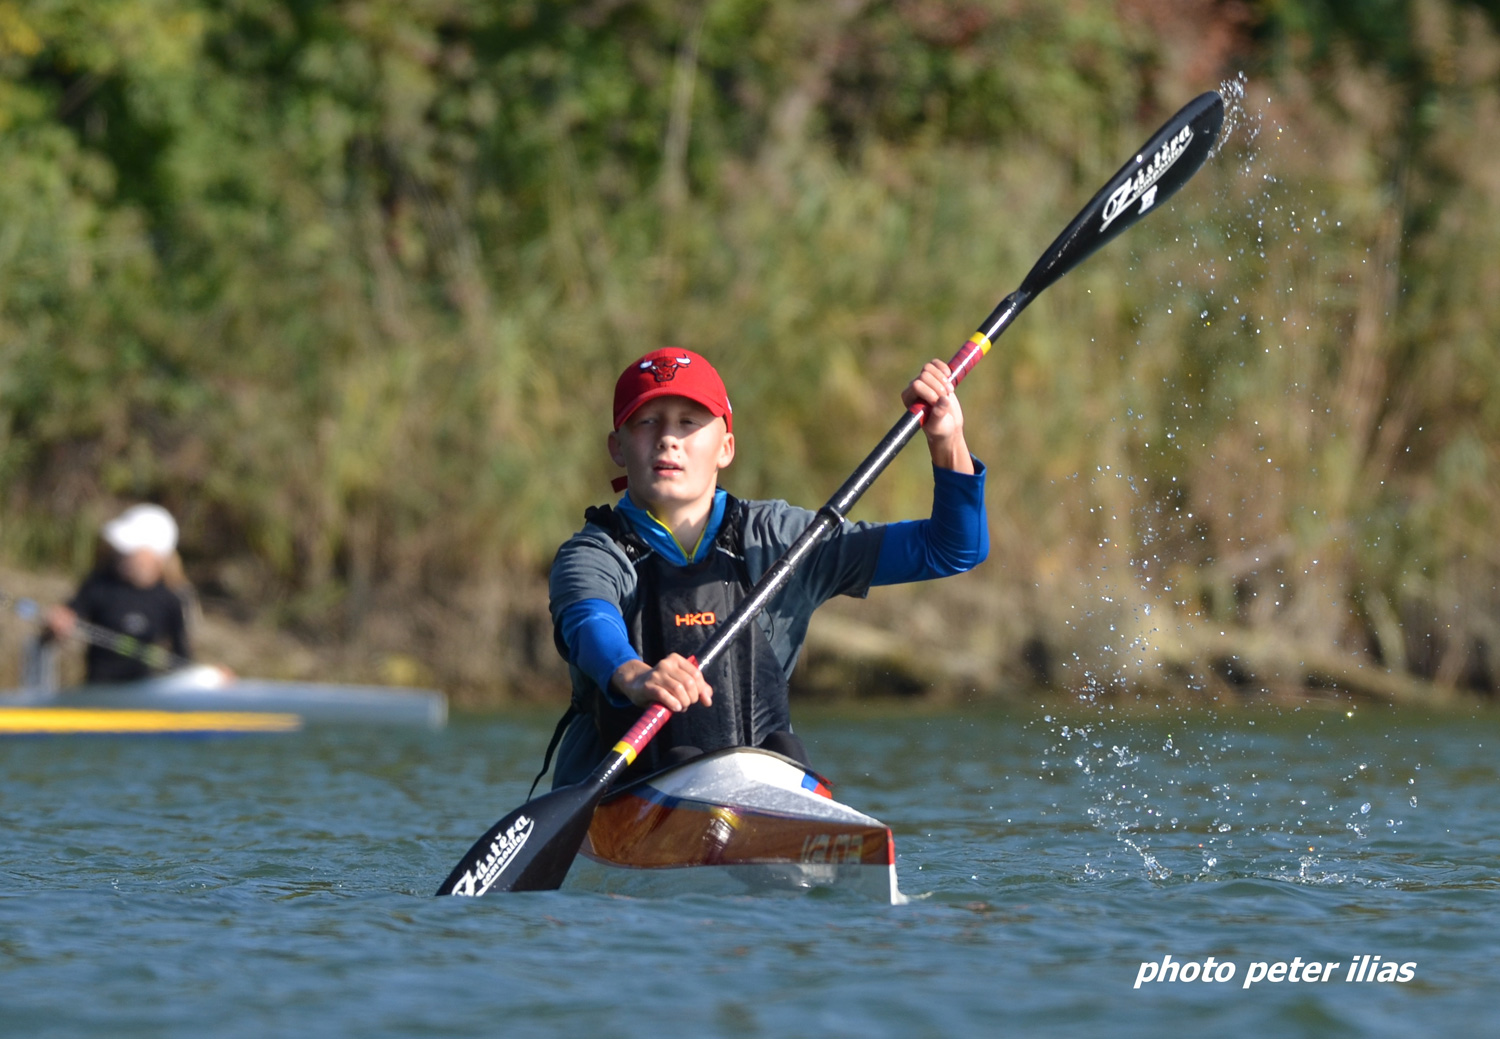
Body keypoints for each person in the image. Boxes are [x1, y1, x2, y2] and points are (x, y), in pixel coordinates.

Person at [543, 347, 988, 788]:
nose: (668, 439)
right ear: (617, 448)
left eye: (689, 422)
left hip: (764, 784)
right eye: (647, 421)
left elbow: (953, 548)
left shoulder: (779, 539)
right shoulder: (593, 553)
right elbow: (590, 621)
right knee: (682, 755)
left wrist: (946, 439)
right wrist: (635, 675)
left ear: (726, 448)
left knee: (782, 749)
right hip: (623, 792)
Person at [46, 504, 192, 685]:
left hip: (143, 693)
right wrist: (58, 623)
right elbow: (69, 614)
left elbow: (182, 659)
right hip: (97, 689)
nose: (121, 554)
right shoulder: (99, 584)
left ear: (155, 556)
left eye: (130, 549)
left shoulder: (170, 600)